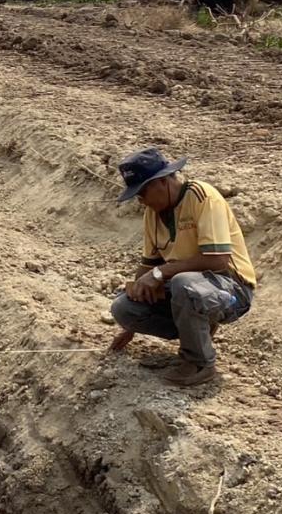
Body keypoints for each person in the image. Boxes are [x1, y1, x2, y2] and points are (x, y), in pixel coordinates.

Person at [108, 148, 256, 386]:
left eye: (142, 192)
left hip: (232, 290)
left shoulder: (203, 197)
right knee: (123, 307)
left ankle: (199, 363)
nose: (140, 200)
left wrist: (161, 273)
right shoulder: (152, 214)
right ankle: (195, 335)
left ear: (162, 181)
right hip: (190, 290)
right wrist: (130, 325)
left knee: (183, 283)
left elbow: (217, 261)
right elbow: (148, 266)